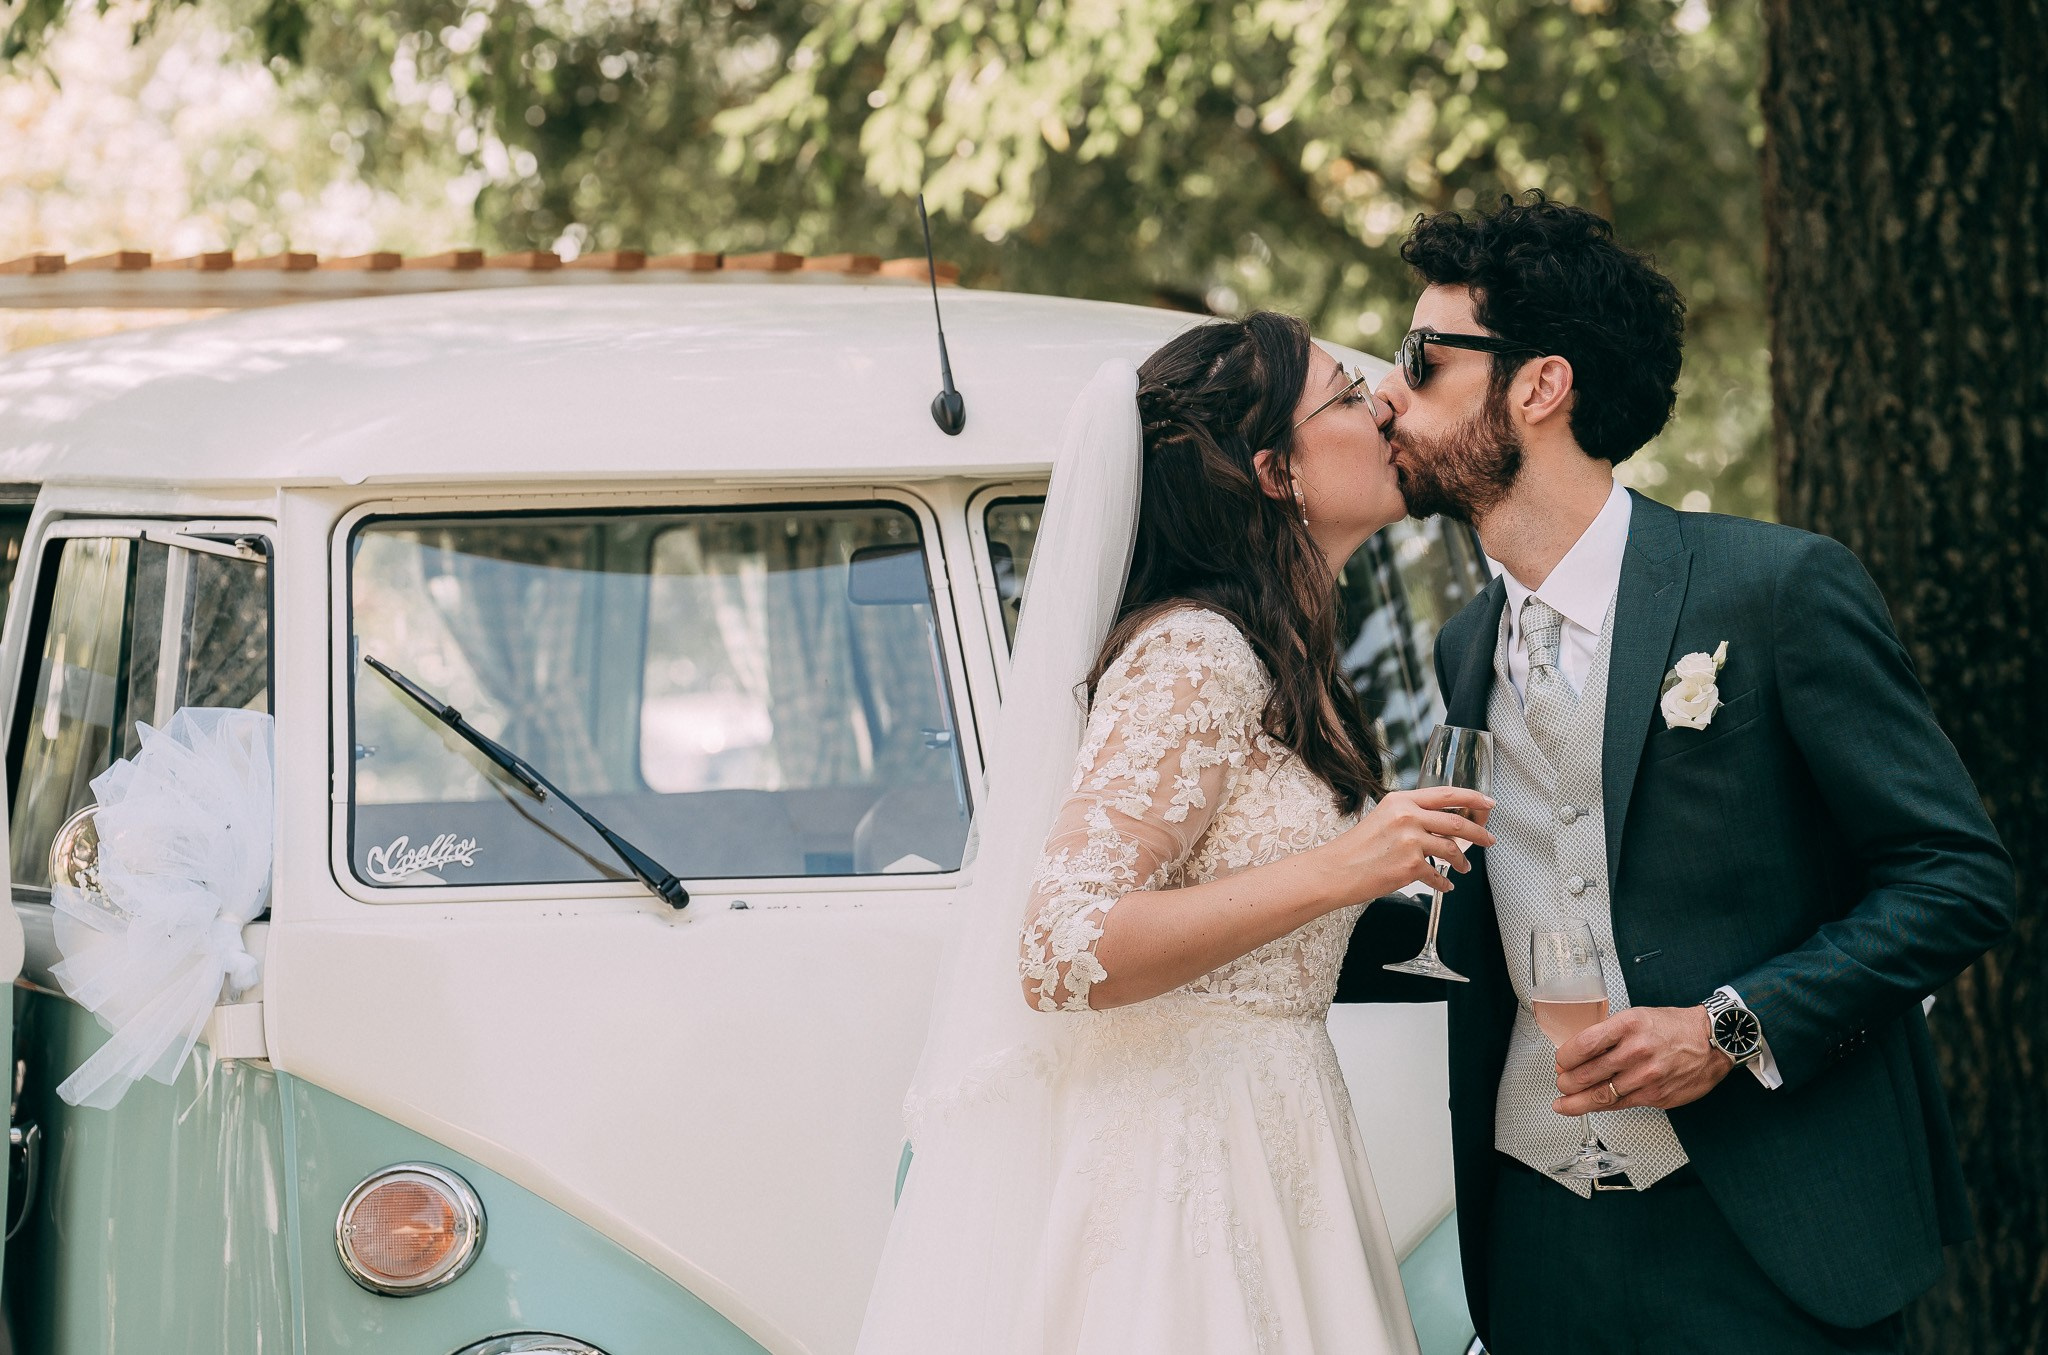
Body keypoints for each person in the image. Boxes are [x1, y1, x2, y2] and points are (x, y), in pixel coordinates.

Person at [1339, 193, 2015, 1354]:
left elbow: (1954, 875)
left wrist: (1729, 1028)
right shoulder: (1462, 647)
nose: (1387, 392)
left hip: (1769, 1235)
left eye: (1421, 356)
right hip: (1541, 1240)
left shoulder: (1775, 589)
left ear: (1537, 385)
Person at [855, 315, 1493, 1354]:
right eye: (1343, 393)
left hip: (1280, 1133)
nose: (1380, 402)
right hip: (1175, 1175)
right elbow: (1060, 946)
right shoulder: (1196, 654)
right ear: (1273, 469)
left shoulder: (1285, 660)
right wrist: (1344, 864)